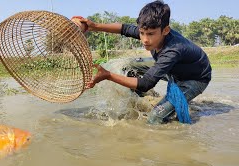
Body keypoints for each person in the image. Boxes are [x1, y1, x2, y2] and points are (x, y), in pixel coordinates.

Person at [78, 0, 212, 124]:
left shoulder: (173, 50)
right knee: (127, 66)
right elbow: (123, 29)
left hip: (194, 78)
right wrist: (94, 26)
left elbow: (146, 83)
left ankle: (167, 108)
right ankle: (146, 98)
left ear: (165, 30)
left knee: (155, 117)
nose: (145, 40)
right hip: (174, 68)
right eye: (141, 33)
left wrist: (108, 76)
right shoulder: (149, 31)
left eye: (150, 34)